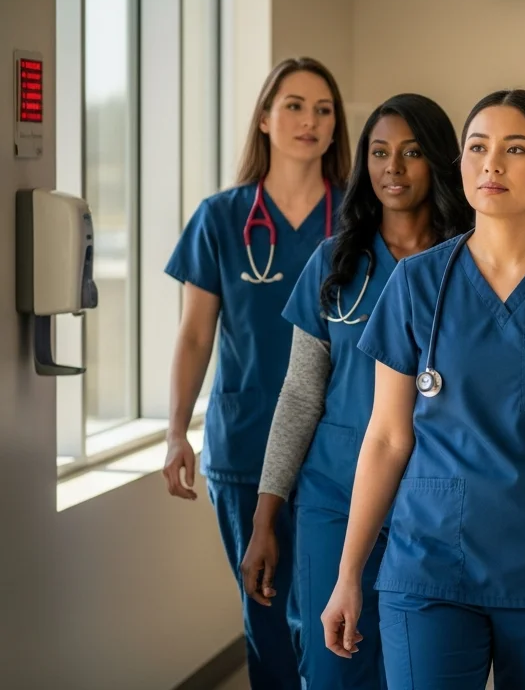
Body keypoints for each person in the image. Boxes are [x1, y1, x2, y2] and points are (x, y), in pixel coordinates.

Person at [319, 89, 525, 688]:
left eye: (515, 148)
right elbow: (387, 439)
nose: (491, 164)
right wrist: (348, 573)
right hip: (430, 568)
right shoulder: (416, 284)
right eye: (478, 147)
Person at [239, 94, 474, 690]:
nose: (392, 167)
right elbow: (299, 395)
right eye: (378, 152)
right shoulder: (334, 263)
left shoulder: (470, 266)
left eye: (412, 152)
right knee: (333, 665)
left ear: (440, 162)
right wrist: (267, 514)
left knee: (419, 670)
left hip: (438, 500)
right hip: (333, 496)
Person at [162, 57, 350, 690]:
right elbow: (194, 335)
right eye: (294, 105)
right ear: (265, 118)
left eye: (324, 109)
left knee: (337, 617)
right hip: (245, 445)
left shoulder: (359, 219)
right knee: (266, 612)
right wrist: (174, 431)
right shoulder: (221, 218)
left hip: (337, 449)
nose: (310, 121)